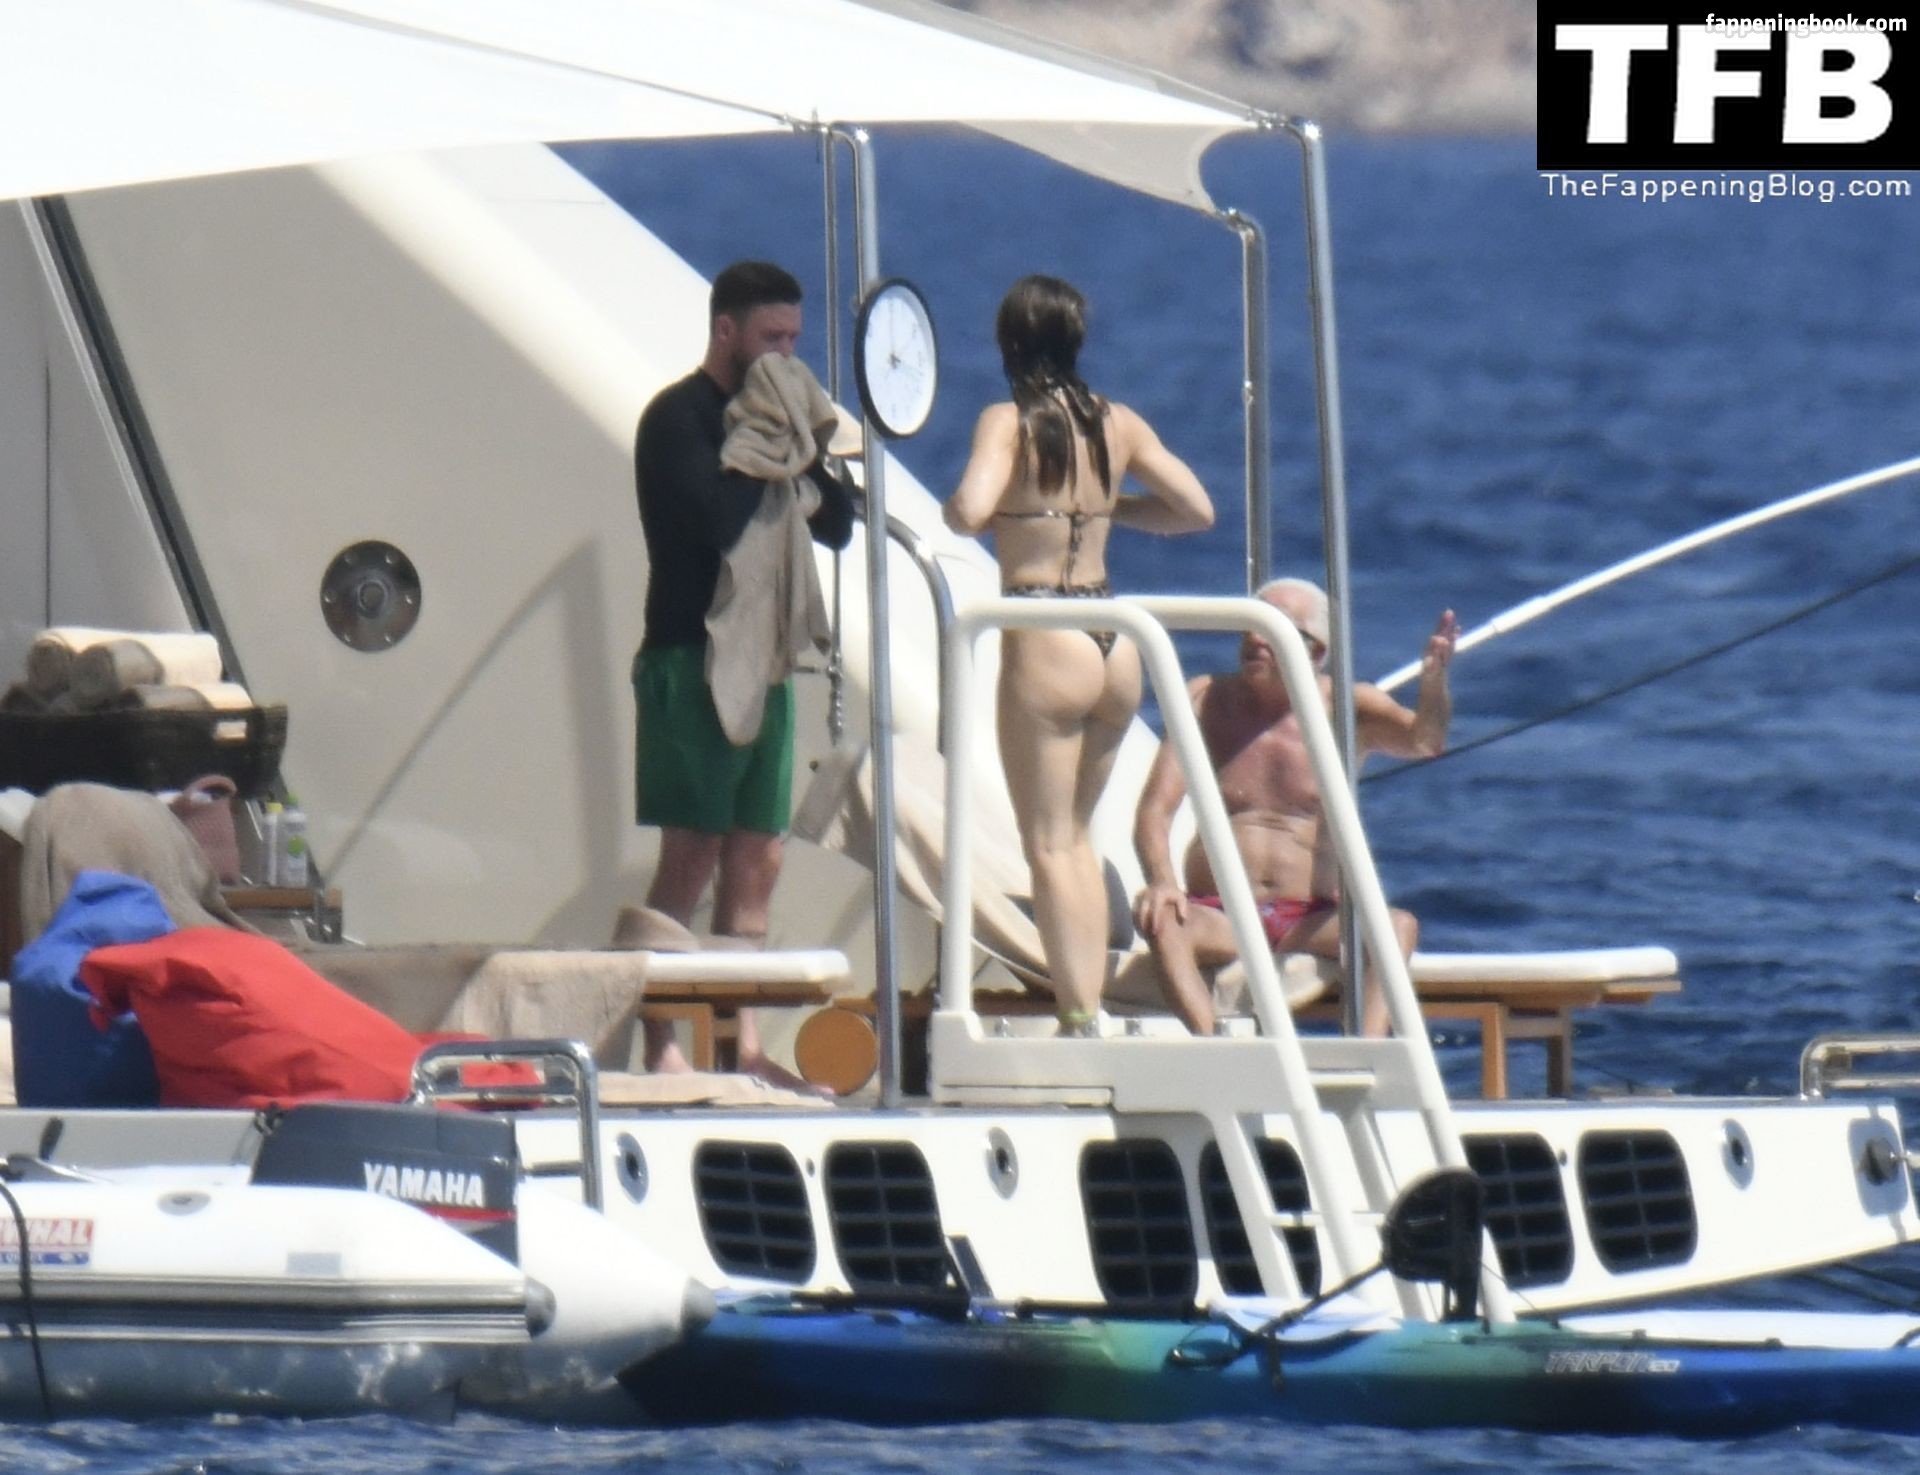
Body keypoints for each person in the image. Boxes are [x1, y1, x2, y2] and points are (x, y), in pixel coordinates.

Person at [945, 275, 1214, 1032]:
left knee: (1048, 842)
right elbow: (1195, 510)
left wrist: (999, 512)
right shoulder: (1117, 422)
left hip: (1044, 629)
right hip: (1112, 635)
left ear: (1010, 343)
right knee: (1080, 839)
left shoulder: (1008, 421)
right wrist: (1105, 508)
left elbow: (968, 509)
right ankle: (1088, 1006)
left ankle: (1078, 1015)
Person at [632, 260, 856, 1080]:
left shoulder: (779, 427)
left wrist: (796, 446)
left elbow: (839, 522)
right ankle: (660, 1043)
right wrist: (768, 447)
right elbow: (718, 521)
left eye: (793, 339)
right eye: (771, 338)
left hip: (764, 662)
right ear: (726, 330)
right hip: (689, 657)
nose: (784, 354)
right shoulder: (676, 419)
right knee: (690, 855)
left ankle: (741, 1046)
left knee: (758, 856)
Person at [1131, 578, 1459, 1038]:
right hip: (1219, 913)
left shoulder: (1347, 707)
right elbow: (1154, 812)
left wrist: (1433, 683)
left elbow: (1426, 739)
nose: (1254, 639)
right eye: (1248, 627)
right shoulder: (1207, 700)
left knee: (1397, 927)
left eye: (1271, 628)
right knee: (1162, 918)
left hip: (1309, 917)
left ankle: (1365, 1053)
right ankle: (1214, 1048)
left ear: (1316, 651)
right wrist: (1163, 882)